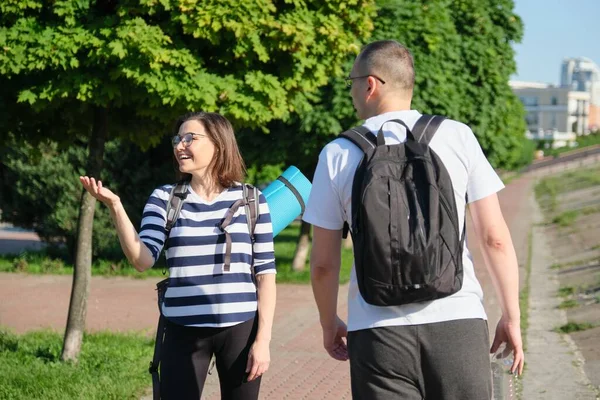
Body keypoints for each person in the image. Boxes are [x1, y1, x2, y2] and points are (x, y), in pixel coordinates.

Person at [303, 40, 524, 399]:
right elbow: (495, 237)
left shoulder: (337, 153)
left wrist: (330, 324)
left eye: (352, 82)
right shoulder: (457, 136)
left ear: (370, 84)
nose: (352, 92)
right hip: (458, 320)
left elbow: (324, 264)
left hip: (376, 330)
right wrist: (511, 316)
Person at [80, 111, 276, 400]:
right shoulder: (165, 199)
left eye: (190, 138)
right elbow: (142, 260)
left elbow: (266, 275)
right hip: (182, 329)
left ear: (219, 144)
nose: (180, 146)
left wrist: (263, 341)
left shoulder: (251, 200)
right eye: (177, 139)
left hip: (241, 330)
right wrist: (115, 206)